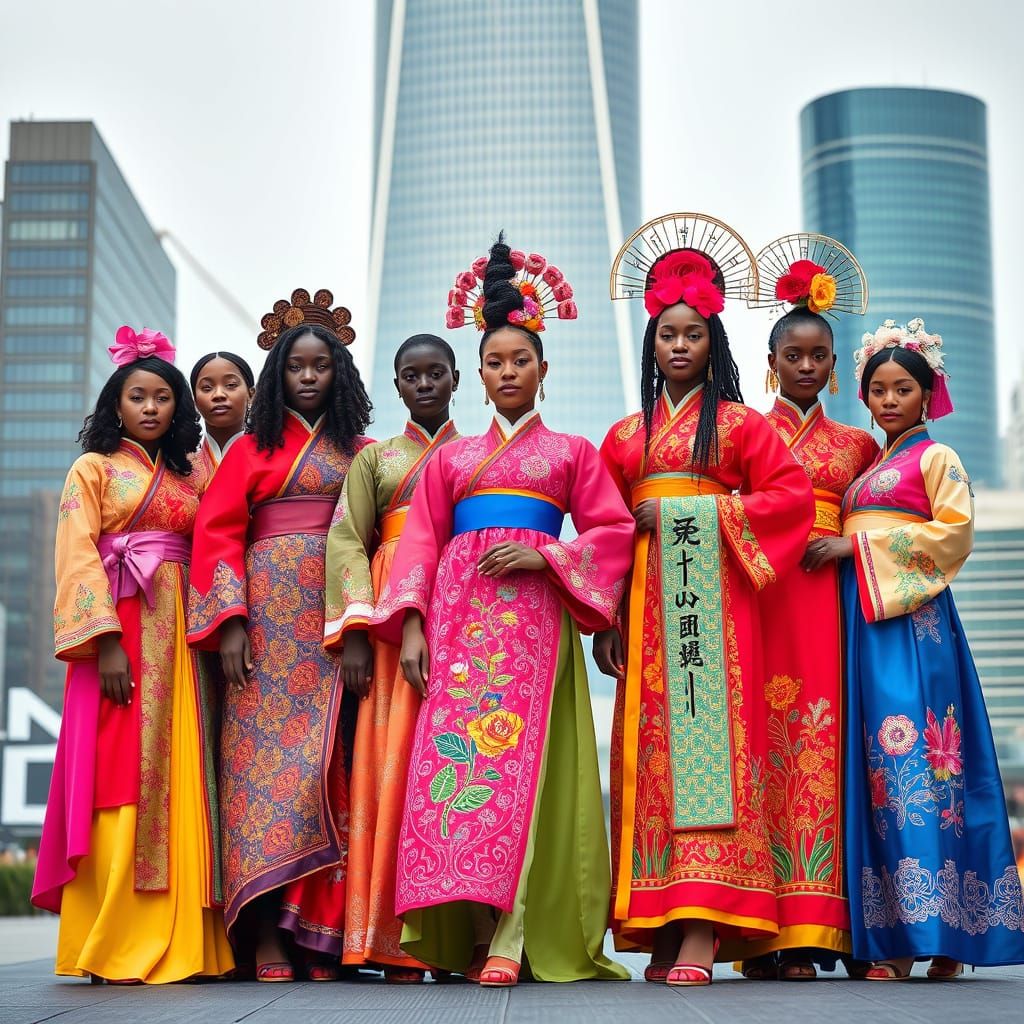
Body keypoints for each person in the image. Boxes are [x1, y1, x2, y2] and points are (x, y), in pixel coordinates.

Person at [370, 235, 633, 986]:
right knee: (454, 777)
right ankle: (480, 927)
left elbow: (611, 530)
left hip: (535, 629)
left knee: (529, 770)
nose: (508, 372)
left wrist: (548, 556)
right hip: (458, 623)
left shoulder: (574, 453)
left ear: (544, 370)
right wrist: (412, 623)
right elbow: (419, 541)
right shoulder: (449, 462)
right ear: (476, 376)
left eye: (521, 361)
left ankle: (516, 936)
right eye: (495, 362)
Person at [597, 213, 815, 986]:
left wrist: (692, 512)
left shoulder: (742, 427)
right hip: (649, 619)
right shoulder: (624, 437)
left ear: (713, 343)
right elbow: (605, 529)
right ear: (651, 346)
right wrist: (609, 616)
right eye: (667, 335)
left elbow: (788, 501)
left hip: (715, 622)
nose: (679, 345)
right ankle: (661, 917)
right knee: (650, 764)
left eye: (693, 333)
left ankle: (704, 926)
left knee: (712, 761)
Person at [805, 318, 1024, 979]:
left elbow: (953, 534)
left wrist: (855, 546)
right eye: (879, 390)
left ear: (928, 395)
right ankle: (896, 932)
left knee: (922, 771)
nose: (890, 399)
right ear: (866, 398)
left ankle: (931, 934)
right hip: (865, 625)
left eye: (904, 388)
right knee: (875, 774)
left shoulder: (936, 459)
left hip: (915, 629)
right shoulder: (872, 464)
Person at [32, 327, 233, 983]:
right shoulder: (92, 470)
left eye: (162, 398)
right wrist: (106, 643)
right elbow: (76, 554)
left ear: (180, 407)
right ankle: (116, 936)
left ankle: (185, 940)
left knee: (182, 773)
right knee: (120, 771)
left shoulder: (193, 470)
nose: (150, 408)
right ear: (116, 405)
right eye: (136, 396)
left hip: (181, 634)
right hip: (120, 629)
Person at [187, 289, 373, 981]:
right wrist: (229, 622)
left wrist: (358, 627)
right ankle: (265, 935)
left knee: (332, 774)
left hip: (332, 633)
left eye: (321, 365)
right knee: (257, 779)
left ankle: (320, 936)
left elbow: (372, 541)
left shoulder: (362, 452)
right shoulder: (251, 451)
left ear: (339, 372)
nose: (307, 376)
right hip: (263, 633)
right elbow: (216, 535)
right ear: (276, 374)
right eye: (295, 365)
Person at [740, 239, 879, 980]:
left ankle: (831, 930)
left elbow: (885, 520)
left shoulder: (857, 445)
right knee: (760, 755)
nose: (804, 365)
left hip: (830, 611)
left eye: (817, 354)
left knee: (828, 757)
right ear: (771, 361)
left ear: (833, 364)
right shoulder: (743, 431)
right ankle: (764, 935)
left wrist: (848, 550)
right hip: (760, 601)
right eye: (790, 354)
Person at [323, 334, 460, 981]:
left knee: (461, 769)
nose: (425, 384)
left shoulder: (476, 454)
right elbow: (348, 541)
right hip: (390, 617)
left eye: (436, 373)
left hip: (463, 609)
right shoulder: (375, 461)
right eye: (413, 375)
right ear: (398, 386)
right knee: (393, 763)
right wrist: (354, 629)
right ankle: (392, 940)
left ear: (458, 378)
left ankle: (462, 930)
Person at [189, 351, 256, 492]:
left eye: (231, 385)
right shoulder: (183, 467)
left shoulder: (268, 458)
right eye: (207, 388)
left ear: (251, 395)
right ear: (195, 401)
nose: (218, 394)